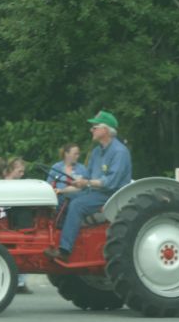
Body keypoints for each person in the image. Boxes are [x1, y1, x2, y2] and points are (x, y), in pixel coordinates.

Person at [44, 110, 132, 262]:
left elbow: (111, 182)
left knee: (78, 204)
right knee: (66, 197)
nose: (91, 129)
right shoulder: (97, 152)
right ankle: (55, 237)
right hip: (95, 192)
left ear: (105, 130)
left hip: (112, 194)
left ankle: (65, 250)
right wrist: (64, 188)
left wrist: (87, 183)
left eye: (95, 127)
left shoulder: (119, 152)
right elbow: (86, 178)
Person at [3, 156, 31, 293]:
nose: (22, 174)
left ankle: (20, 281)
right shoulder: (6, 184)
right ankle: (17, 281)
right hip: (11, 220)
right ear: (11, 170)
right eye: (19, 171)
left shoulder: (18, 184)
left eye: (23, 171)